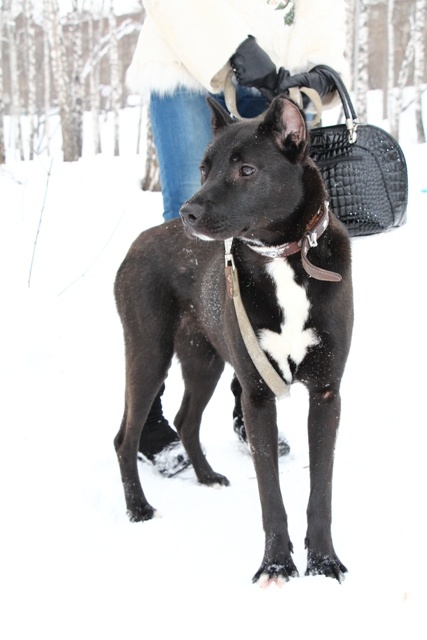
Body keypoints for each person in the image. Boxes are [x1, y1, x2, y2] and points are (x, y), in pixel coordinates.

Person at [126, 0, 349, 476]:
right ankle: (149, 421)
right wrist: (232, 44)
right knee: (193, 232)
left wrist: (322, 71)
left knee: (270, 240)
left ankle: (251, 393)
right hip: (188, 61)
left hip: (279, 77)